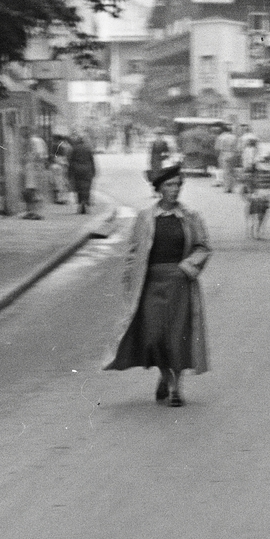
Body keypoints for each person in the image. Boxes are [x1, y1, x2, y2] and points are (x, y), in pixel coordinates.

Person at [102, 163, 211, 406]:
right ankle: (164, 374)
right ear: (159, 189)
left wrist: (188, 266)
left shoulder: (190, 217)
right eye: (169, 185)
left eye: (178, 185)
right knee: (154, 337)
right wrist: (130, 281)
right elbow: (133, 252)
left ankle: (175, 388)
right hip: (150, 283)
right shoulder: (145, 218)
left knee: (178, 337)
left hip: (179, 284)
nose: (175, 189)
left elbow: (203, 247)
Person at [67, 132, 97, 214]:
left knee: (78, 187)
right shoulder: (88, 148)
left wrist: (69, 173)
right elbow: (92, 160)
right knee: (86, 188)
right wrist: (94, 171)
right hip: (87, 170)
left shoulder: (74, 149)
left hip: (77, 170)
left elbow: (71, 161)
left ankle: (80, 204)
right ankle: (86, 203)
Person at [23, 128, 49, 220]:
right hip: (36, 169)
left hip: (34, 170)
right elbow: (43, 156)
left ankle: (35, 212)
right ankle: (34, 212)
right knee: (35, 192)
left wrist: (33, 162)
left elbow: (38, 155)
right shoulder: (40, 141)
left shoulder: (33, 141)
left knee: (33, 192)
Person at [50, 132, 72, 205]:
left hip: (58, 165)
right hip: (64, 165)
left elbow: (54, 156)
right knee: (63, 182)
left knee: (58, 182)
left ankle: (60, 199)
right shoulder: (66, 146)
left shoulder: (57, 145)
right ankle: (64, 199)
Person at [215, 125, 238, 192]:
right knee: (232, 171)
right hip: (233, 154)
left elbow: (217, 148)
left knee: (226, 172)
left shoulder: (221, 137)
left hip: (224, 153)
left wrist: (218, 156)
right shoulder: (234, 137)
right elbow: (237, 147)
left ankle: (227, 188)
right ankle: (232, 187)